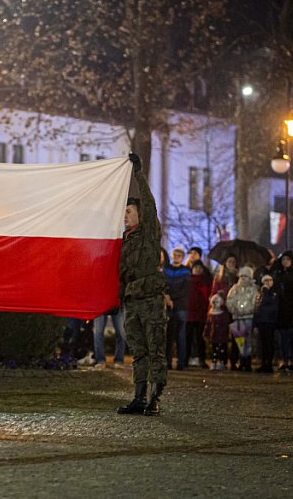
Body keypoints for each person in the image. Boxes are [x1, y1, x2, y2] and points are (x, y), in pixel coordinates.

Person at [116, 154, 167, 417]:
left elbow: (148, 204)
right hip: (132, 301)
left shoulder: (148, 234)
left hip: (150, 299)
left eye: (129, 211)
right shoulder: (124, 242)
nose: (125, 216)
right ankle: (139, 396)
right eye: (123, 212)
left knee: (155, 348)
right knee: (138, 351)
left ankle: (155, 398)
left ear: (139, 215)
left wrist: (139, 175)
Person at [226, 266, 259, 372]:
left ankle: (247, 362)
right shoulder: (235, 289)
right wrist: (234, 309)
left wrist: (248, 310)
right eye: (242, 276)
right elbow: (229, 300)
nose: (243, 278)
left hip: (248, 317)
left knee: (248, 340)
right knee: (239, 340)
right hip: (237, 317)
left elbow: (255, 302)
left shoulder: (254, 289)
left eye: (246, 276)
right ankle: (240, 361)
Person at [164, 247, 191, 370]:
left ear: (183, 257)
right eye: (175, 254)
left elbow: (185, 289)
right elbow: (164, 285)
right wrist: (167, 297)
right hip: (169, 306)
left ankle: (181, 363)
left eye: (180, 255)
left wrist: (171, 298)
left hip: (181, 306)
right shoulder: (166, 269)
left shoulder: (186, 271)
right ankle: (167, 362)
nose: (177, 257)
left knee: (181, 336)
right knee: (169, 336)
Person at [272, 251, 293, 372]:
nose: (286, 261)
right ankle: (283, 360)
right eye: (283, 259)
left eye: (288, 259)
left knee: (292, 337)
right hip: (281, 310)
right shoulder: (278, 274)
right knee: (282, 337)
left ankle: (292, 361)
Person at [186, 260, 212, 368]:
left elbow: (209, 295)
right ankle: (185, 358)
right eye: (195, 267)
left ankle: (201, 359)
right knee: (188, 338)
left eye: (200, 267)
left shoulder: (206, 281)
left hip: (201, 314)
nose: (198, 269)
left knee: (200, 338)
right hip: (189, 314)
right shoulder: (187, 280)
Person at [253, 274, 279, 373]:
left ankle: (269, 363)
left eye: (269, 280)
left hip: (270, 321)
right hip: (261, 321)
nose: (267, 283)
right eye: (265, 281)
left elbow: (271, 305)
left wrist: (267, 292)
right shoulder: (260, 293)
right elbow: (257, 307)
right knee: (262, 344)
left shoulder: (273, 293)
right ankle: (264, 363)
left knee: (269, 343)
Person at [203, 292, 230, 370]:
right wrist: (206, 333)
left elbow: (226, 323)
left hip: (221, 336)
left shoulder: (223, 314)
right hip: (214, 335)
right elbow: (208, 324)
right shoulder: (211, 314)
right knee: (214, 350)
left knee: (222, 349)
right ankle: (214, 361)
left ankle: (221, 362)